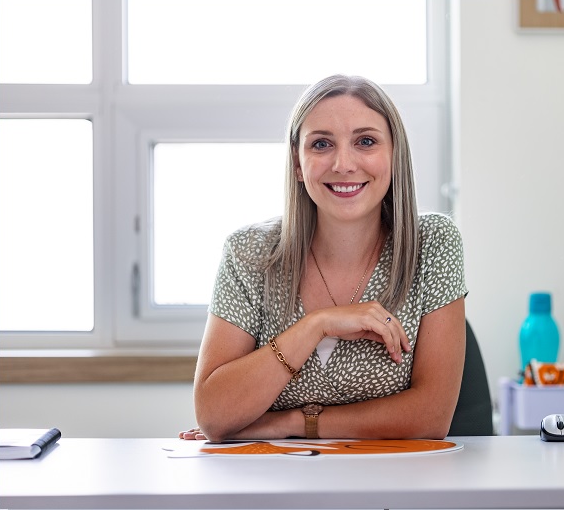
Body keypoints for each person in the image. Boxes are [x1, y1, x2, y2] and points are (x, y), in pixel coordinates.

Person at [180, 74, 467, 443]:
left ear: (394, 156)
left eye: (366, 141)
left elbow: (430, 418)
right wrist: (318, 324)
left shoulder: (434, 243)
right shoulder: (249, 253)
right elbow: (214, 416)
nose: (344, 164)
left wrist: (289, 423)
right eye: (321, 144)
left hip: (395, 488)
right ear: (298, 165)